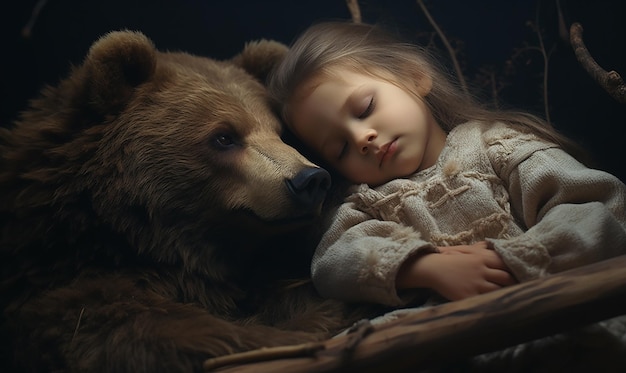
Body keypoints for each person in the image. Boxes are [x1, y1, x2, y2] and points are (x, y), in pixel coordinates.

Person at [267, 21, 626, 307]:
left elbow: (599, 210)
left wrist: (511, 262)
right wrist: (423, 267)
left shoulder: (498, 146)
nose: (362, 139)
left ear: (413, 75)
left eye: (364, 109)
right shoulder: (366, 208)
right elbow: (333, 262)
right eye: (340, 148)